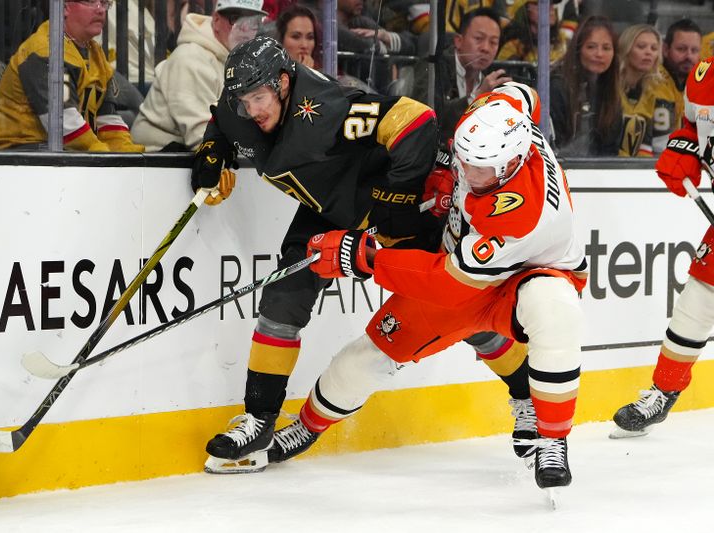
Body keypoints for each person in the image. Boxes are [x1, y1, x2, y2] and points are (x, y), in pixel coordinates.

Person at [194, 36, 538, 474]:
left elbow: (416, 120)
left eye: (259, 98)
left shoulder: (325, 110)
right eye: (244, 101)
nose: (252, 110)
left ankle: (527, 394)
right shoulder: (242, 105)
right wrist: (213, 151)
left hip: (387, 207)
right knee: (284, 295)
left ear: (283, 83)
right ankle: (259, 418)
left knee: (458, 312)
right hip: (329, 210)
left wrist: (393, 206)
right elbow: (223, 123)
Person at [267, 86, 587, 494]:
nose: (468, 175)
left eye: (481, 170)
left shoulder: (522, 214)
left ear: (512, 164)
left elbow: (447, 282)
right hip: (463, 265)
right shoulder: (500, 112)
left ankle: (552, 438)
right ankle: (307, 427)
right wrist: (443, 180)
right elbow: (523, 91)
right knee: (364, 359)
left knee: (554, 308)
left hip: (519, 278)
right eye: (463, 161)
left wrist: (364, 259)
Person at [612, 55, 714, 437]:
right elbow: (695, 125)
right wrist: (684, 149)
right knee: (697, 301)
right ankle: (663, 391)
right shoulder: (705, 75)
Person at [0, 0, 144, 151]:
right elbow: (65, 126)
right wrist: (106, 158)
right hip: (17, 156)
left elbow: (108, 120)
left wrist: (129, 155)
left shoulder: (96, 56)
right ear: (65, 7)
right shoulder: (45, 51)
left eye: (104, 2)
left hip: (60, 154)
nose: (100, 9)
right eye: (90, 1)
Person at [129, 0, 266, 152]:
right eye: (235, 18)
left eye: (253, 21)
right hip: (155, 163)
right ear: (216, 20)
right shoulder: (190, 58)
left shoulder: (240, 63)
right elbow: (202, 137)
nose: (245, 28)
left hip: (185, 160)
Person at [416, 8, 510, 147]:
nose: (486, 48)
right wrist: (475, 98)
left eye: (493, 42)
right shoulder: (433, 66)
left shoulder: (493, 78)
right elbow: (428, 118)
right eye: (478, 39)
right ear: (459, 41)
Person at [549, 15, 622, 157]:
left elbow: (610, 150)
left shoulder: (612, 92)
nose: (599, 54)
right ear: (577, 50)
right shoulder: (557, 86)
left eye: (606, 48)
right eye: (591, 47)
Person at [617, 24, 677, 157]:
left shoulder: (656, 91)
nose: (648, 52)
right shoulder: (608, 88)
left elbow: (658, 145)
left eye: (654, 48)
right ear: (625, 48)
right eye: (641, 47)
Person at [657, 19, 702, 137]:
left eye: (694, 50)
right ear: (665, 49)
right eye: (681, 49)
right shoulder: (651, 80)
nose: (689, 56)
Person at [498, 0, 568, 66]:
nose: (550, 9)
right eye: (542, 4)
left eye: (551, 3)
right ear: (525, 10)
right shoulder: (512, 47)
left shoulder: (562, 40)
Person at [276, 5, 320, 70]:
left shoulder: (324, 77)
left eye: (310, 37)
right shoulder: (267, 76)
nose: (304, 45)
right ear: (281, 40)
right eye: (295, 37)